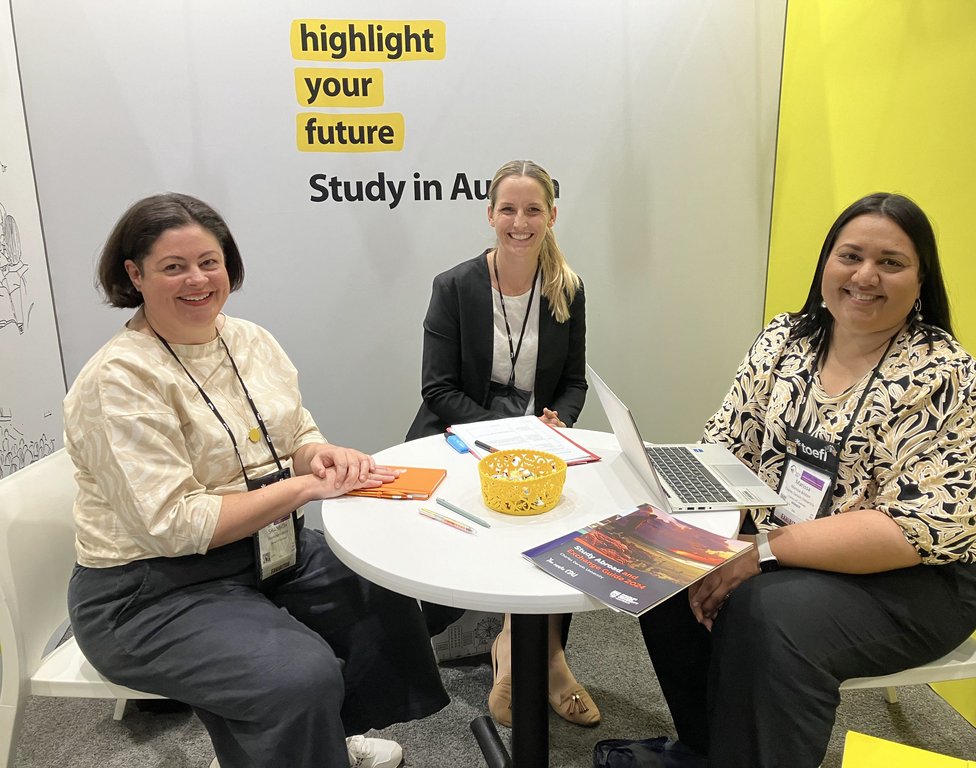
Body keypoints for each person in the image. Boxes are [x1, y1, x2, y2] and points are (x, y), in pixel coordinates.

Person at [64, 193, 450, 768]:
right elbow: (175, 526)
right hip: (149, 589)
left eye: (209, 262)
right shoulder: (118, 380)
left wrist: (318, 455)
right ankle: (291, 745)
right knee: (295, 677)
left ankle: (313, 745)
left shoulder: (249, 340)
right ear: (135, 275)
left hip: (265, 551)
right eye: (173, 266)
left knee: (380, 586)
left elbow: (295, 432)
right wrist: (303, 488)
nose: (197, 279)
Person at [635, 193, 976, 768]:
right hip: (782, 547)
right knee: (670, 568)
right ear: (826, 262)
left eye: (891, 262)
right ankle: (705, 750)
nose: (865, 276)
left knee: (766, 614)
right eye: (850, 256)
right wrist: (704, 537)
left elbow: (918, 530)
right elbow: (726, 446)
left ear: (922, 279)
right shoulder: (785, 340)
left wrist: (759, 552)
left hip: (916, 578)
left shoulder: (945, 374)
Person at [406, 159, 596, 727]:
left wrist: (558, 421)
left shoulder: (567, 288)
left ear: (551, 216)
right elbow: (438, 389)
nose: (520, 221)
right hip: (460, 433)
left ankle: (544, 656)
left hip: (536, 437)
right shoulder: (454, 286)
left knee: (563, 523)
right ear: (490, 215)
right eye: (508, 209)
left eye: (533, 209)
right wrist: (502, 436)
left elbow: (574, 382)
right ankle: (515, 651)